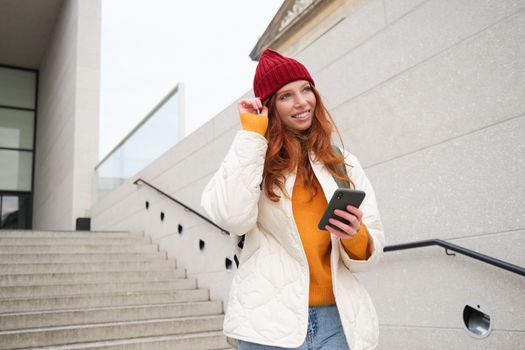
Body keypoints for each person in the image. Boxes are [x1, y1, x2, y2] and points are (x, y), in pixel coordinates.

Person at [201, 48, 385, 350]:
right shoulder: (252, 159)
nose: (301, 102)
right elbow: (231, 216)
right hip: (268, 325)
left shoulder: (344, 163)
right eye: (286, 96)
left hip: (338, 322)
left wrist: (355, 235)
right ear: (270, 105)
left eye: (306, 90)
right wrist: (252, 136)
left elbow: (370, 253)